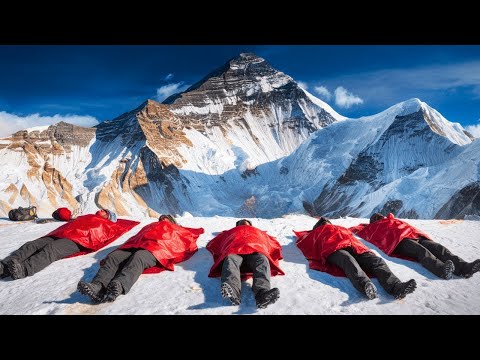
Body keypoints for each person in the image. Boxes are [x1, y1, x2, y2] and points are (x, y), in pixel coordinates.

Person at [77, 214, 204, 303]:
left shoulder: (177, 229)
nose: (162, 219)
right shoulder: (152, 225)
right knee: (114, 257)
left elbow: (184, 240)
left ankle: (119, 285)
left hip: (156, 250)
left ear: (172, 221)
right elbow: (138, 236)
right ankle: (97, 286)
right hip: (136, 245)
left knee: (139, 257)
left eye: (166, 218)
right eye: (161, 218)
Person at [294, 217, 416, 300]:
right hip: (334, 250)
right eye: (323, 222)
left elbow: (353, 237)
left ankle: (396, 287)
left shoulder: (340, 228)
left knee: (376, 261)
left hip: (354, 248)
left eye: (327, 221)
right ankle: (365, 286)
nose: (326, 222)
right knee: (348, 261)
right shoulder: (316, 233)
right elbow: (306, 243)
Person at [0, 209, 138, 280]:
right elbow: (68, 218)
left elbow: (102, 235)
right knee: (32, 244)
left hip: (77, 241)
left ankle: (24, 270)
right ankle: (4, 266)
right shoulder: (87, 216)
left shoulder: (107, 225)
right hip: (63, 234)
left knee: (51, 250)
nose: (101, 210)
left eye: (104, 211)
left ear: (108, 217)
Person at [350, 213, 480, 279]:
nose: (379, 216)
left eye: (379, 215)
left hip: (414, 236)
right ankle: (441, 270)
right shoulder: (372, 228)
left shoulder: (392, 220)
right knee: (421, 252)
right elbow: (358, 229)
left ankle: (464, 268)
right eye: (376, 217)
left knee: (439, 248)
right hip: (399, 242)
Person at [206, 219, 284, 309]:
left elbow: (267, 241)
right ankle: (233, 291)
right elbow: (219, 242)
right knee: (230, 259)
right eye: (241, 223)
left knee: (262, 259)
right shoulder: (231, 232)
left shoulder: (257, 231)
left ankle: (262, 294)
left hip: (255, 253)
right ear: (237, 225)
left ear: (250, 225)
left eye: (246, 222)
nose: (244, 223)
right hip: (235, 252)